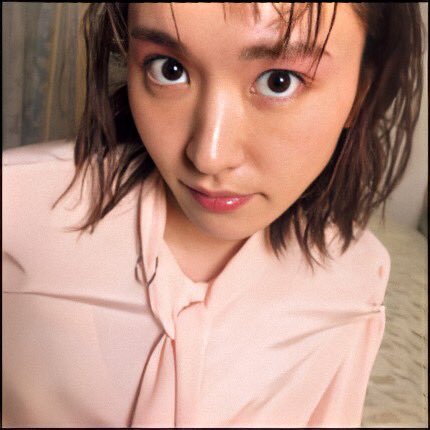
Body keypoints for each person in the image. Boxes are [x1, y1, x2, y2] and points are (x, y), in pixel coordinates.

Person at [2, 2, 424, 427]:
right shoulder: (15, 214)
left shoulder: (356, 281)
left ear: (360, 92)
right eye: (168, 69)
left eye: (279, 81)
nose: (208, 156)